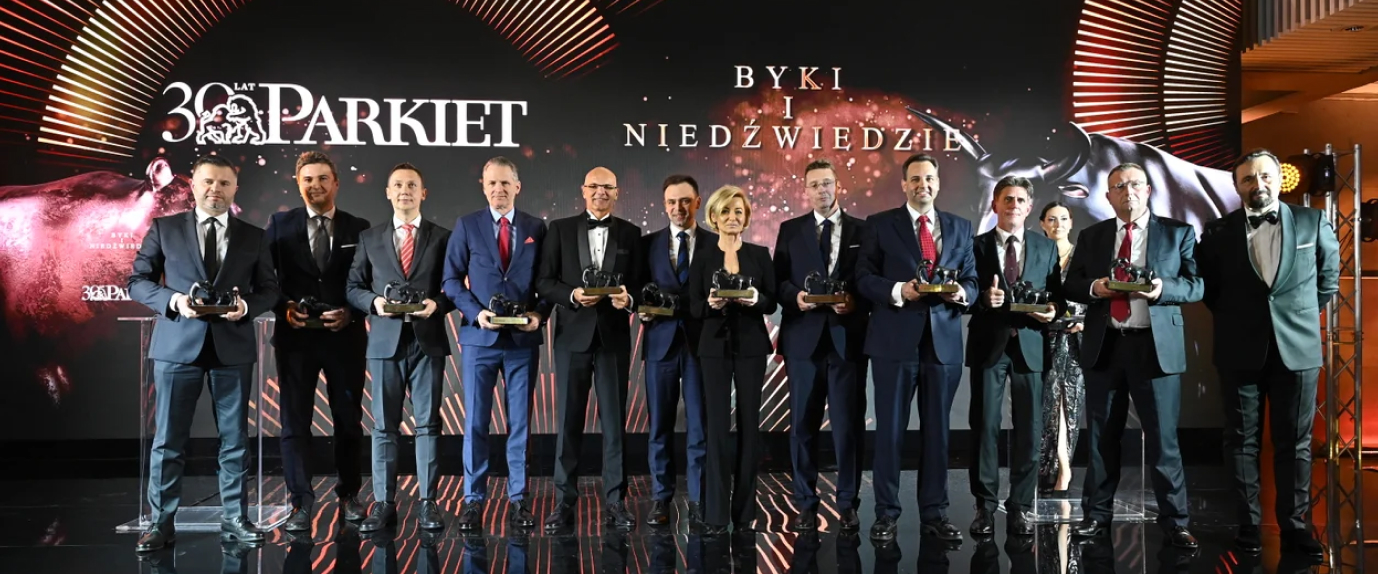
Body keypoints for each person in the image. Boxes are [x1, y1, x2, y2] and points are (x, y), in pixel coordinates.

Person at [127, 155, 280, 552]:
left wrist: (245, 306)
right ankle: (161, 523)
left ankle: (235, 518)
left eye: (224, 183)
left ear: (235, 189)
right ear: (193, 185)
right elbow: (138, 281)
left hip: (232, 348)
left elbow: (270, 290)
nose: (216, 189)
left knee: (235, 441)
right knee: (168, 440)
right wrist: (176, 301)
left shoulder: (254, 236)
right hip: (177, 346)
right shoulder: (164, 228)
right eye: (208, 182)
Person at [1199, 148, 1338, 559]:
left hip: (1298, 349)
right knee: (1240, 442)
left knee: (1295, 443)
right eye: (1247, 178)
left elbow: (1328, 281)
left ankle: (1295, 528)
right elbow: (1210, 290)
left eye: (1264, 176)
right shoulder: (1217, 232)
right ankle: (1248, 527)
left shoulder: (1313, 221)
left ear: (1278, 180)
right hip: (1239, 349)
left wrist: (1294, 318)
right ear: (1236, 186)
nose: (1257, 184)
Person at [1064, 162, 1202, 549]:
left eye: (1135, 184)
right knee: (1100, 439)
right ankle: (1096, 516)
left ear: (1148, 190)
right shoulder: (1092, 236)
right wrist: (1096, 288)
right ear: (1108, 196)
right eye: (1119, 186)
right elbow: (1071, 284)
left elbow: (1195, 285)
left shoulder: (1177, 233)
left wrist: (1160, 289)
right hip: (1106, 344)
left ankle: (1176, 521)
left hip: (1154, 348)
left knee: (1163, 440)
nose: (1129, 192)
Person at [856, 153, 978, 543]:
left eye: (929, 178)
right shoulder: (880, 224)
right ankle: (886, 513)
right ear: (904, 184)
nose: (922, 185)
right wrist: (899, 291)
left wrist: (962, 293)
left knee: (938, 433)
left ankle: (935, 513)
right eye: (915, 179)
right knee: (890, 433)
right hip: (894, 342)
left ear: (937, 184)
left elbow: (972, 279)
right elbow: (863, 277)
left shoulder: (960, 227)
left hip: (943, 344)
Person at [264, 151, 371, 531]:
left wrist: (352, 312)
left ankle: (349, 495)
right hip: (295, 340)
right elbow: (265, 280)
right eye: (308, 179)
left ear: (336, 183)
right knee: (295, 422)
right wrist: (283, 307)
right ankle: (300, 503)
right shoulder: (279, 225)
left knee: (348, 421)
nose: (316, 185)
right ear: (298, 184)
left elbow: (368, 283)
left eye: (323, 178)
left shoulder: (359, 228)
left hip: (345, 339)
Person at [347, 162, 455, 533]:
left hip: (427, 341)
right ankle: (384, 503)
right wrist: (374, 302)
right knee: (384, 427)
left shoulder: (443, 237)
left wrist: (436, 304)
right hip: (385, 342)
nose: (405, 191)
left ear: (423, 193)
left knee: (428, 425)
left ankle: (428, 503)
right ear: (388, 193)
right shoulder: (369, 238)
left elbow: (454, 287)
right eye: (398, 185)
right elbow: (353, 287)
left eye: (412, 185)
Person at [441, 156, 548, 531]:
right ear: (483, 187)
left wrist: (540, 314)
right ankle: (473, 500)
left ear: (517, 186)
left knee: (520, 424)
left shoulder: (536, 227)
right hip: (479, 339)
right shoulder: (467, 225)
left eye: (505, 183)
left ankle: (519, 499)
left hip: (522, 340)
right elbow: (450, 280)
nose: (499, 189)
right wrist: (475, 313)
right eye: (492, 183)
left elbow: (547, 281)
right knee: (475, 423)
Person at [535, 166, 643, 531]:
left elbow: (641, 284)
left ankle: (616, 501)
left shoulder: (631, 233)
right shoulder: (560, 229)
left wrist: (629, 298)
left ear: (617, 192)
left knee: (614, 424)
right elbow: (544, 282)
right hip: (571, 338)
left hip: (613, 339)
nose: (600, 192)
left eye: (607, 187)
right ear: (583, 190)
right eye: (594, 186)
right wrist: (571, 295)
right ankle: (563, 501)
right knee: (568, 423)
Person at [772, 158, 870, 532]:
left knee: (848, 428)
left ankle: (847, 503)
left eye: (827, 183)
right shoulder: (790, 230)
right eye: (814, 184)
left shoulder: (863, 229)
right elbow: (778, 282)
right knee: (802, 426)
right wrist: (795, 298)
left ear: (837, 185)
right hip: (803, 340)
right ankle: (805, 503)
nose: (821, 190)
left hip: (848, 339)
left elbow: (869, 279)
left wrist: (855, 301)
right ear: (805, 189)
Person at [965, 176, 1062, 537]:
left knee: (1029, 430)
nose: (1014, 205)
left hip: (1031, 346)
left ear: (1029, 207)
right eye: (1007, 199)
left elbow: (1057, 297)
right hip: (988, 345)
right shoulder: (974, 246)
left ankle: (1020, 506)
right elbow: (964, 294)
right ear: (995, 204)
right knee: (985, 427)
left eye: (1020, 200)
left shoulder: (1046, 247)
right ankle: (985, 506)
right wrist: (982, 300)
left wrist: (1052, 311)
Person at [687, 184, 778, 535]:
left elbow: (771, 301)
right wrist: (710, 304)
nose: (732, 217)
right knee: (715, 428)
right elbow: (693, 305)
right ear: (713, 216)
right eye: (725, 211)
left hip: (751, 347)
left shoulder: (759, 254)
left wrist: (755, 299)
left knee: (749, 428)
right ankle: (715, 514)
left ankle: (744, 514)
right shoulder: (702, 256)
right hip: (713, 348)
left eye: (738, 211)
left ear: (747, 217)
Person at [637, 174, 716, 525]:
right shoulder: (647, 245)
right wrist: (639, 307)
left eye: (685, 201)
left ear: (697, 202)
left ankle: (698, 499)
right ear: (664, 204)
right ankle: (661, 498)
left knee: (699, 427)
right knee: (659, 427)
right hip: (660, 344)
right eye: (672, 202)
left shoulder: (716, 244)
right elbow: (637, 290)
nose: (678, 208)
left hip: (701, 345)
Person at [1037, 201, 1087, 494]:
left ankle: (1064, 468)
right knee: (1048, 406)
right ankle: (1049, 469)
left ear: (1071, 222)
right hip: (1043, 339)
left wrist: (1085, 322)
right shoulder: (1037, 255)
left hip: (1075, 341)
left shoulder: (1083, 257)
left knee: (1070, 406)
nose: (1058, 224)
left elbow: (1097, 295)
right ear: (1042, 224)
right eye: (1052, 219)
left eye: (1063, 219)